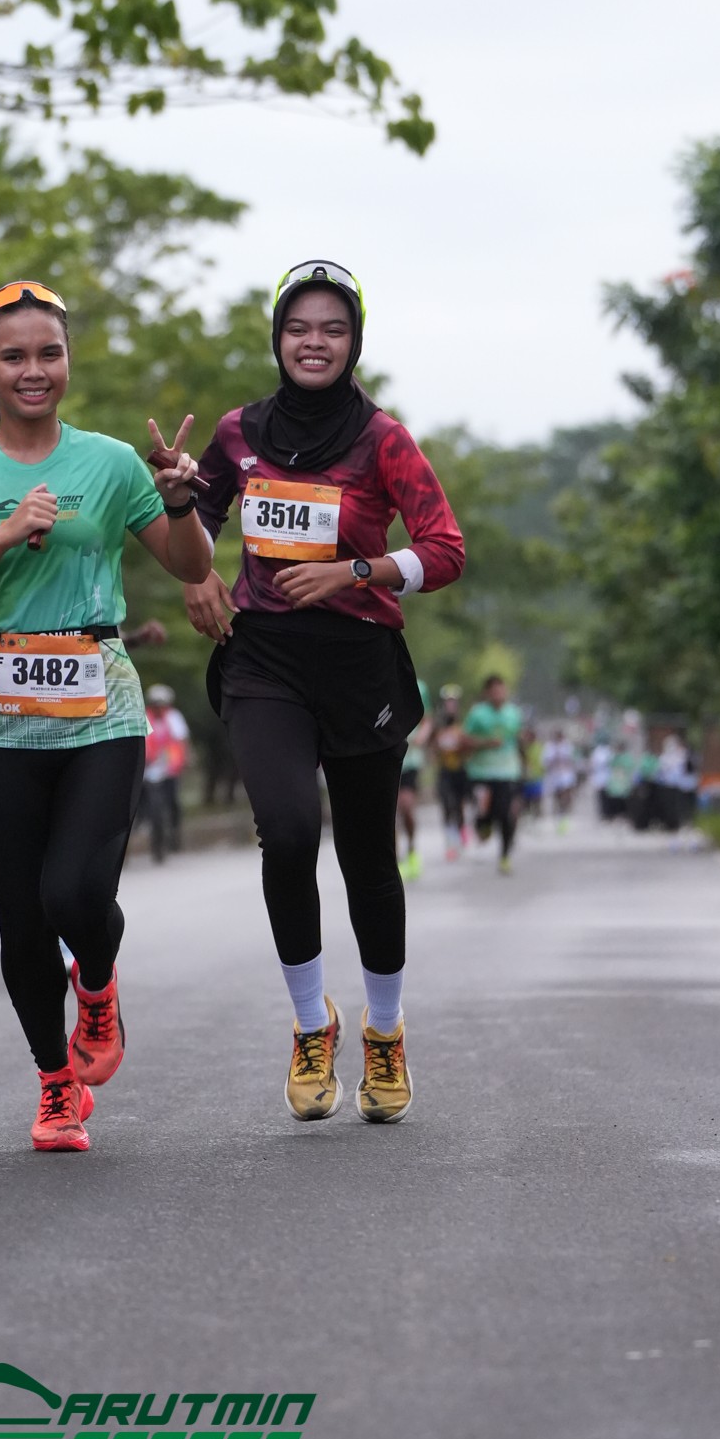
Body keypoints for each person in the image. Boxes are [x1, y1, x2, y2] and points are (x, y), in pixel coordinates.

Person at [0, 280, 210, 1153]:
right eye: (13, 356)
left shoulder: (112, 463)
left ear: (68, 361)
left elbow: (191, 566)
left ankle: (100, 983)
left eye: (49, 352)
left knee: (74, 892)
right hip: (1, 711)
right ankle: (55, 1085)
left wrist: (182, 501)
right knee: (21, 920)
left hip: (99, 705)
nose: (33, 369)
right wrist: (3, 535)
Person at [183, 257, 465, 1127]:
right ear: (278, 338)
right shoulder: (238, 431)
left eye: (332, 330)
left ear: (354, 342)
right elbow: (199, 518)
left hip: (359, 664)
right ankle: (312, 1025)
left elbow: (446, 549)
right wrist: (191, 552)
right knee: (289, 830)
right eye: (299, 328)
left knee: (368, 859)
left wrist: (357, 571)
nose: (315, 343)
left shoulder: (383, 440)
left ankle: (384, 1031)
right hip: (264, 660)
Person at [463, 675, 526, 872]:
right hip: (481, 773)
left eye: (501, 690)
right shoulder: (477, 714)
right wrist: (485, 743)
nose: (499, 694)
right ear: (487, 693)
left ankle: (505, 856)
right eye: (494, 691)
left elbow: (519, 740)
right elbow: (464, 740)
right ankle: (484, 824)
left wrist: (525, 764)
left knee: (506, 814)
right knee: (484, 813)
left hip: (507, 772)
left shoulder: (514, 713)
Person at [141, 682, 190, 861]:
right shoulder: (143, 718)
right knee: (149, 806)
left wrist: (182, 760)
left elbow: (181, 741)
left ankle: (175, 834)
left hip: (169, 770)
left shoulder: (174, 718)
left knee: (173, 802)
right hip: (149, 771)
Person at [433, 685, 471, 859]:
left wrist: (461, 746)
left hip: (460, 770)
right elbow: (432, 746)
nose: (450, 705)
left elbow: (469, 746)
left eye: (453, 702)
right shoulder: (438, 725)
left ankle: (462, 829)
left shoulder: (464, 724)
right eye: (447, 701)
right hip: (445, 771)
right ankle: (450, 841)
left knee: (459, 805)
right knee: (447, 805)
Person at [397, 688, 430, 879]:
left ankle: (411, 850)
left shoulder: (418, 686)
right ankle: (395, 860)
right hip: (385, 758)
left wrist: (422, 736)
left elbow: (427, 720)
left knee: (407, 807)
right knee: (389, 814)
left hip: (410, 761)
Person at [542, 728, 578, 830]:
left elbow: (573, 760)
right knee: (557, 797)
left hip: (566, 775)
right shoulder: (549, 747)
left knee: (565, 795)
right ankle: (558, 816)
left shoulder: (568, 746)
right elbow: (545, 762)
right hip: (554, 776)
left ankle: (564, 814)